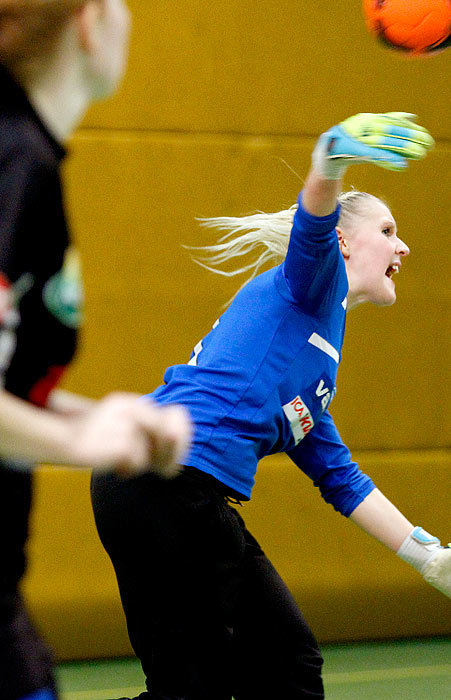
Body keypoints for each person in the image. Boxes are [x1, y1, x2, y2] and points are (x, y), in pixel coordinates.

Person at [91, 111, 451, 700]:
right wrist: (331, 159)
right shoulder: (312, 282)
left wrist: (430, 558)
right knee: (231, 680)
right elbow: (315, 218)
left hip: (164, 493)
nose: (404, 245)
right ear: (344, 242)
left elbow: (341, 478)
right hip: (164, 485)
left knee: (273, 669)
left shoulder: (320, 352)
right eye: (389, 230)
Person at [0, 2, 191, 699]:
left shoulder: (29, 158)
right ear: (89, 23)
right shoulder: (13, 162)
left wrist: (98, 420)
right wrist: (80, 442)